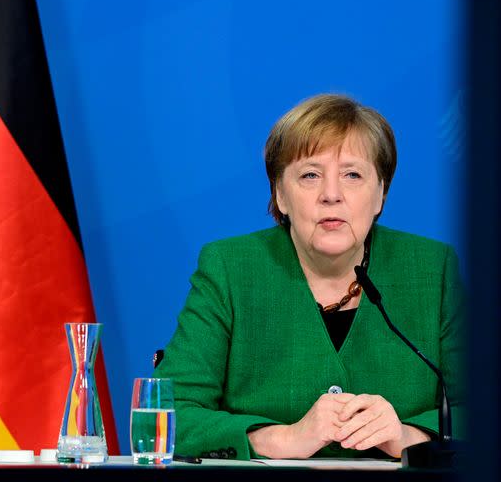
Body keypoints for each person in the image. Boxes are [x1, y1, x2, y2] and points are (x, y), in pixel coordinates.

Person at [153, 94, 465, 460]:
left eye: (352, 175)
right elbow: (165, 415)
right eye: (310, 175)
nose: (331, 195)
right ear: (280, 195)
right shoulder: (229, 268)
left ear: (380, 193)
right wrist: (280, 438)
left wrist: (408, 435)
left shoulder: (432, 269)